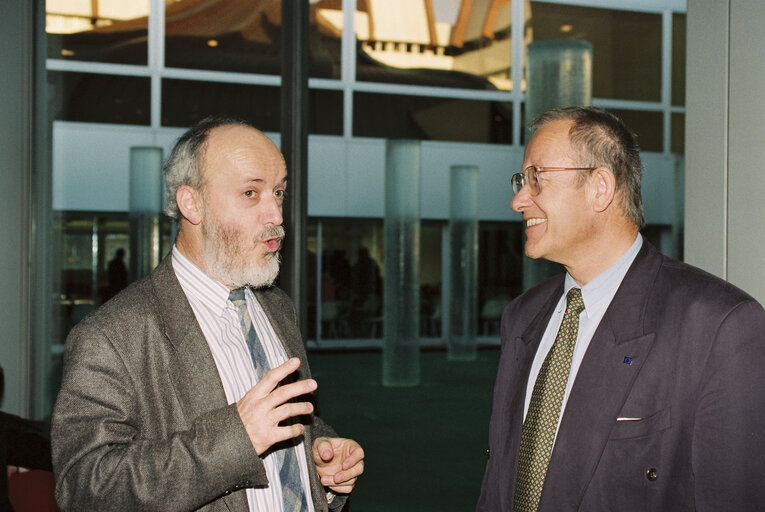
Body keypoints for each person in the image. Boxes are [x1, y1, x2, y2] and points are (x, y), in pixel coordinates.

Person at [52, 116, 364, 511]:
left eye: (279, 192)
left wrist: (320, 456)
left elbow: (289, 426)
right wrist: (237, 438)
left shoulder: (277, 308)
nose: (276, 216)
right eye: (251, 193)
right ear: (191, 203)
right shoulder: (111, 336)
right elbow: (85, 489)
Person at [476, 106, 765, 511]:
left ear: (600, 187)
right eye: (521, 181)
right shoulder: (523, 317)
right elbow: (498, 485)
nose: (518, 200)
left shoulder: (718, 326)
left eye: (536, 179)